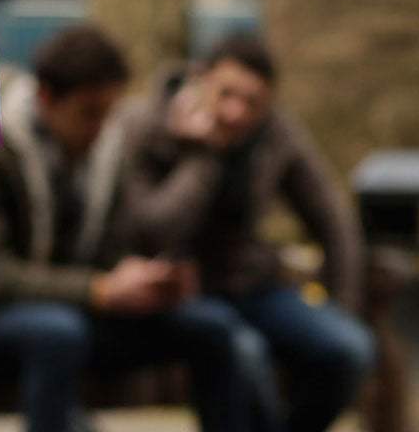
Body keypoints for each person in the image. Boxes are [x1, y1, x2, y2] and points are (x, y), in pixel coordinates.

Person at [0, 25, 263, 432]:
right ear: (47, 98)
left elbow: (113, 250)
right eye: (90, 112)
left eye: (109, 113)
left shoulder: (106, 148)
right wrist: (100, 290)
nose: (101, 128)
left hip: (82, 313)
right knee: (58, 333)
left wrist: (148, 279)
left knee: (211, 324)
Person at [122, 32, 375, 432]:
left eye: (252, 103)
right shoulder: (146, 123)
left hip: (252, 286)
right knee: (244, 354)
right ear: (202, 79)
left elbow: (333, 221)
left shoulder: (276, 133)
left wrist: (340, 304)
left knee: (349, 347)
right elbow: (153, 230)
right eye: (226, 94)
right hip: (177, 292)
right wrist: (205, 157)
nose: (236, 112)